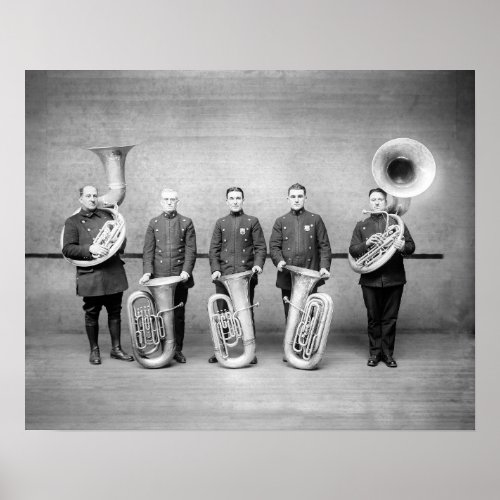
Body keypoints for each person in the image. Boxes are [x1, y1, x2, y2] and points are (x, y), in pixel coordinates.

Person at [62, 185, 133, 365]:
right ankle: (94, 350)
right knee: (92, 313)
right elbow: (68, 249)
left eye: (95, 195)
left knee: (115, 312)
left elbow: (120, 240)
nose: (93, 199)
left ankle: (116, 349)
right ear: (81, 199)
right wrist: (90, 249)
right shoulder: (72, 221)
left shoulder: (108, 216)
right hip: (91, 274)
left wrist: (118, 242)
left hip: (112, 272)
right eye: (88, 196)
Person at [349, 188, 415, 368]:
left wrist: (402, 245)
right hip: (370, 279)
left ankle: (387, 354)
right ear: (369, 202)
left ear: (385, 202)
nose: (377, 202)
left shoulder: (396, 222)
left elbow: (411, 247)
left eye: (380, 199)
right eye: (373, 200)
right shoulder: (361, 225)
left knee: (390, 318)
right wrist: (367, 243)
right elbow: (353, 250)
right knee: (373, 318)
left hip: (394, 278)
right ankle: (374, 353)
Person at [208, 187, 267, 364]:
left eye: (238, 198)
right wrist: (215, 270)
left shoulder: (252, 221)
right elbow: (214, 250)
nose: (235, 201)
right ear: (227, 201)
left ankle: (250, 351)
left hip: (245, 276)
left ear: (243, 200)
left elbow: (260, 248)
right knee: (222, 314)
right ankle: (222, 349)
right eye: (231, 198)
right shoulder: (221, 222)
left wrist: (257, 266)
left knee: (246, 313)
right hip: (224, 276)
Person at [139, 188, 197, 363]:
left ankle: (177, 349)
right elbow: (148, 251)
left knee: (178, 315)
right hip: (159, 277)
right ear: (161, 202)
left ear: (178, 202)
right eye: (166, 199)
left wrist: (186, 270)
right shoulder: (154, 222)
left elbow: (190, 250)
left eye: (173, 199)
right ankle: (163, 347)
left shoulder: (186, 222)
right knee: (160, 314)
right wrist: (147, 272)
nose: (170, 202)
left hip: (180, 277)